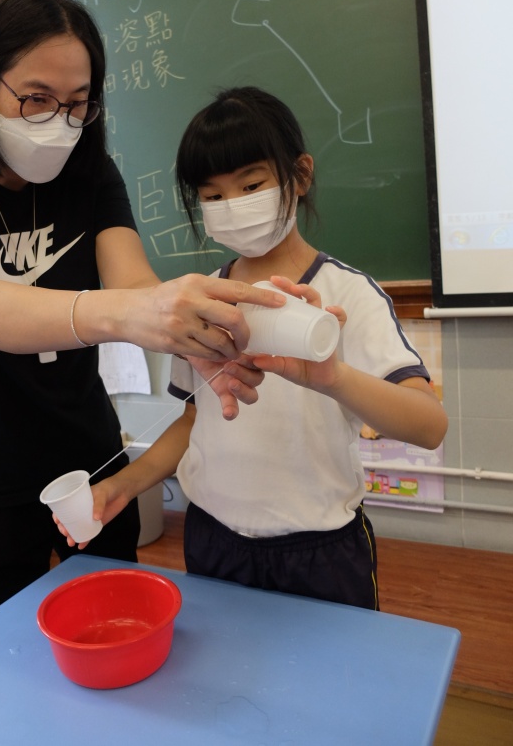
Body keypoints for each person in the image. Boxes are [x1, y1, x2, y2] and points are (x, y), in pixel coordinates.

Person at [0, 0, 284, 625]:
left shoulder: (91, 174)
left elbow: (134, 285)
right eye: (36, 99)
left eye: (77, 103)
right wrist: (127, 313)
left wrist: (195, 334)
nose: (58, 122)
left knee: (115, 621)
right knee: (7, 642)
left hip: (86, 455)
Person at [60, 86, 448, 610]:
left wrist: (334, 378)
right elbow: (192, 420)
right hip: (213, 541)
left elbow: (428, 426)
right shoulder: (199, 300)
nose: (233, 206)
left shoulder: (349, 294)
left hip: (320, 549)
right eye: (213, 196)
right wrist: (123, 486)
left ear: (300, 175)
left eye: (251, 185)